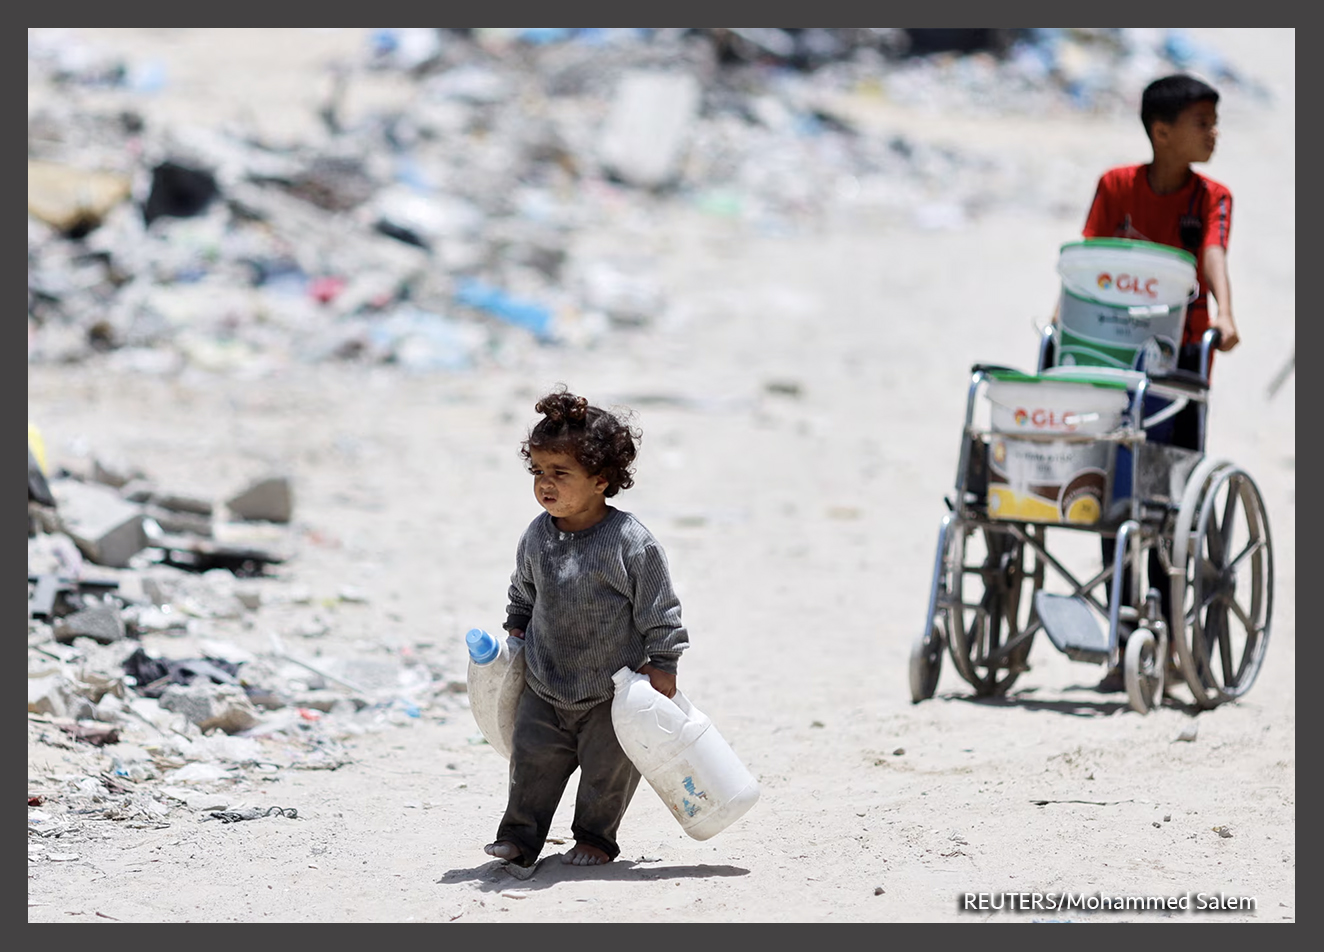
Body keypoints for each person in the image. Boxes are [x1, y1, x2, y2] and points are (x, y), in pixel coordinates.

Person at [1068, 73, 1240, 691]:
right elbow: (1090, 259)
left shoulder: (1210, 198)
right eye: (1203, 123)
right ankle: (1121, 642)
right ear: (1162, 133)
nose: (1214, 134)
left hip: (1177, 370)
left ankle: (1167, 638)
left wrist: (1223, 310)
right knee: (1118, 502)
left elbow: (1214, 252)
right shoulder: (1117, 188)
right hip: (1115, 363)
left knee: (1166, 504)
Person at [483, 386, 690, 868]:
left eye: (560, 473)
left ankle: (595, 839)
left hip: (613, 691)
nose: (545, 484)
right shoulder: (537, 534)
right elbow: (523, 591)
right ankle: (519, 837)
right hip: (546, 681)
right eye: (538, 472)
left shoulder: (630, 543)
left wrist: (664, 664)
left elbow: (660, 609)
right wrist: (516, 628)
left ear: (600, 479)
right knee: (531, 763)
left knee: (607, 772)